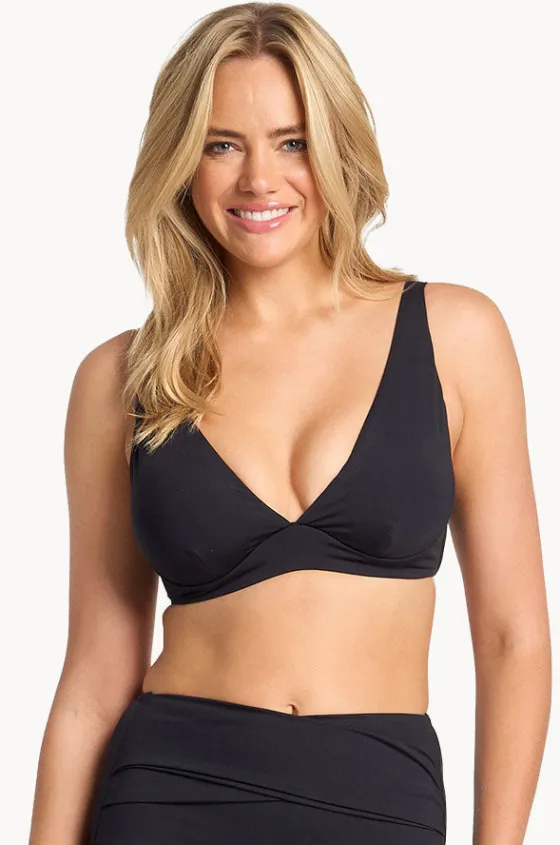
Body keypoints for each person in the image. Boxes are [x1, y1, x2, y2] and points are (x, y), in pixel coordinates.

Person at [29, 4, 551, 845]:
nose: (258, 180)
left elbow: (512, 637)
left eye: (292, 141)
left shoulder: (456, 336)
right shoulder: (122, 378)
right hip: (168, 798)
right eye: (221, 144)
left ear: (336, 148)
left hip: (380, 803)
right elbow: (93, 675)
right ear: (181, 162)